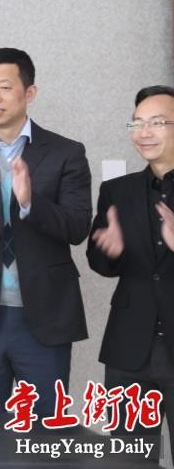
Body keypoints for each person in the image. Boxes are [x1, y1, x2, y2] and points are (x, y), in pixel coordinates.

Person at [0, 48, 91, 415]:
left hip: (45, 317)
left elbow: (77, 227)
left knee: (42, 430)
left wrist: (30, 203)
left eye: (5, 87)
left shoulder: (67, 152)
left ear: (29, 92)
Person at [88, 84, 174, 461]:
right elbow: (99, 262)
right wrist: (112, 251)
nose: (144, 132)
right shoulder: (116, 191)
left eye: (157, 122)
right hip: (129, 350)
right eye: (137, 123)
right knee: (128, 459)